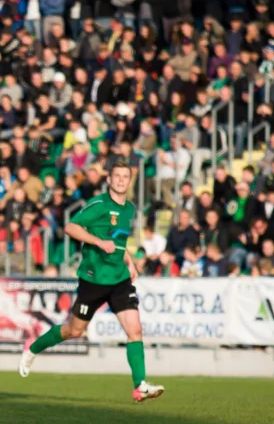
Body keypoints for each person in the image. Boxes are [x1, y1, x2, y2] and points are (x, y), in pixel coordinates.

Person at [17, 160, 164, 402]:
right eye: (116, 176)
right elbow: (70, 227)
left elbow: (116, 239)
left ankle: (140, 386)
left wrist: (128, 260)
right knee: (74, 330)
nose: (120, 180)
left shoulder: (128, 209)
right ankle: (33, 348)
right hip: (93, 279)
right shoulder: (98, 205)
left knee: (135, 330)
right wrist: (97, 243)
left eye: (124, 177)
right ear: (109, 179)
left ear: (129, 181)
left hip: (119, 279)